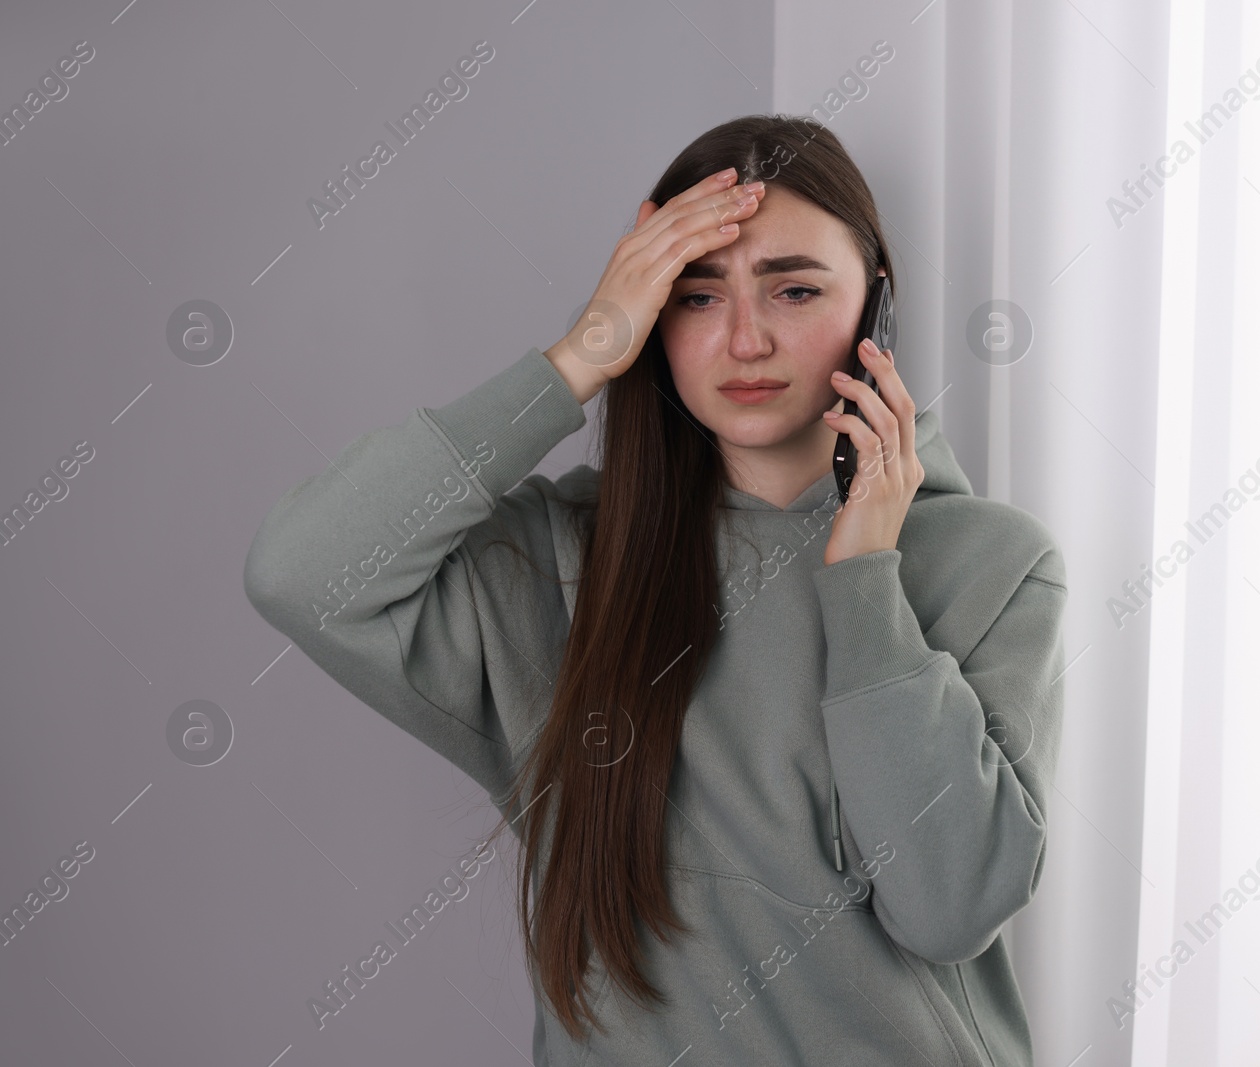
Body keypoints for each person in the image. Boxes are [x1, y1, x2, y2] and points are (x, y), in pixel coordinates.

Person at [243, 113, 1068, 1066]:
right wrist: (579, 358)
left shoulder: (990, 564)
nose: (746, 340)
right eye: (695, 295)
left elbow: (949, 902)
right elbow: (299, 570)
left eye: (795, 289)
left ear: (876, 307)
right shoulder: (560, 563)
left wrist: (863, 580)